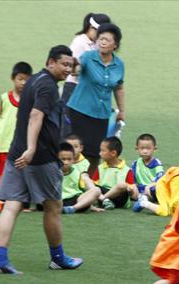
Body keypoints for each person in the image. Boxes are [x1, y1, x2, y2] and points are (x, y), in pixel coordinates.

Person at [0, 45, 81, 275]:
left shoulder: (32, 80)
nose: (67, 69)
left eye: (70, 65)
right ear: (51, 62)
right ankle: (58, 258)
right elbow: (35, 115)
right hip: (38, 158)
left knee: (11, 206)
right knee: (53, 206)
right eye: (64, 64)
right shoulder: (48, 86)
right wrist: (32, 148)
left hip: (15, 153)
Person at [67, 23, 125, 176]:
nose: (102, 42)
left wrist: (122, 111)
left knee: (95, 154)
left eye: (107, 39)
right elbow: (78, 69)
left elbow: (118, 87)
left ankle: (87, 185)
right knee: (74, 151)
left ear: (115, 44)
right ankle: (68, 183)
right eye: (100, 39)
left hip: (101, 115)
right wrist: (74, 67)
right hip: (79, 111)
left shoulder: (119, 65)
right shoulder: (88, 57)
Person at [61, 13, 111, 104]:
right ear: (91, 28)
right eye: (100, 33)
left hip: (89, 89)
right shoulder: (79, 42)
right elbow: (71, 67)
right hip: (74, 88)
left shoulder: (97, 43)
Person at [0, 62, 33, 182]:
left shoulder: (32, 99)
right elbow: (1, 117)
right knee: (2, 178)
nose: (23, 83)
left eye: (26, 80)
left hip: (22, 146)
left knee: (20, 178)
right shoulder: (4, 98)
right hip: (5, 145)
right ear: (13, 78)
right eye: (20, 79)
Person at [91, 137, 136, 210]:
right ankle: (105, 200)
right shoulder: (100, 168)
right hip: (103, 192)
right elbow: (93, 186)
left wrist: (131, 191)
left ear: (113, 153)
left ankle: (103, 199)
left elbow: (133, 194)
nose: (100, 153)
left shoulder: (127, 170)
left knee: (122, 185)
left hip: (119, 199)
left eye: (103, 151)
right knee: (88, 180)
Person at [58, 142, 102, 214]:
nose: (66, 162)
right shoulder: (52, 173)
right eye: (63, 159)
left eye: (69, 159)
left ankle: (71, 209)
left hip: (75, 201)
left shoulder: (78, 173)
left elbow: (82, 191)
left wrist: (91, 206)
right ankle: (65, 208)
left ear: (73, 159)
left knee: (96, 190)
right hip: (58, 201)